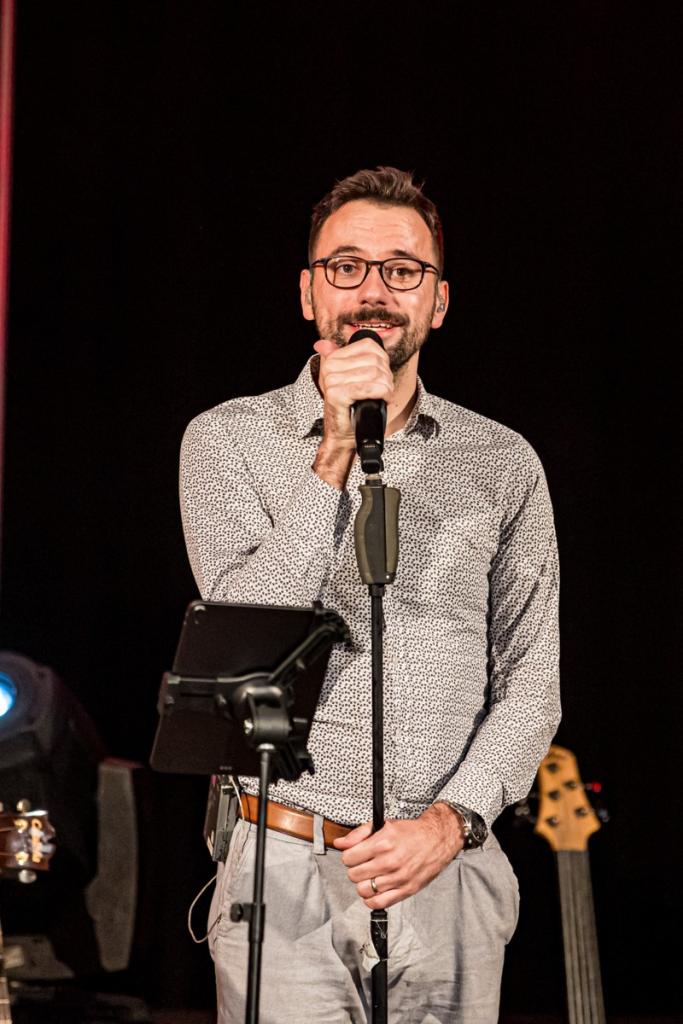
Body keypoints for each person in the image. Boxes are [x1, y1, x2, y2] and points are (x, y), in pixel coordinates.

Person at [180, 166, 560, 1023]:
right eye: (346, 267)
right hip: (287, 868)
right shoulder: (227, 439)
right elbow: (247, 637)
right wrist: (334, 453)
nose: (374, 292)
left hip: (446, 871)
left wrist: (450, 822)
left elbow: (532, 683)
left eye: (402, 270)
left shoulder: (501, 461)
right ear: (308, 292)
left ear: (438, 301)